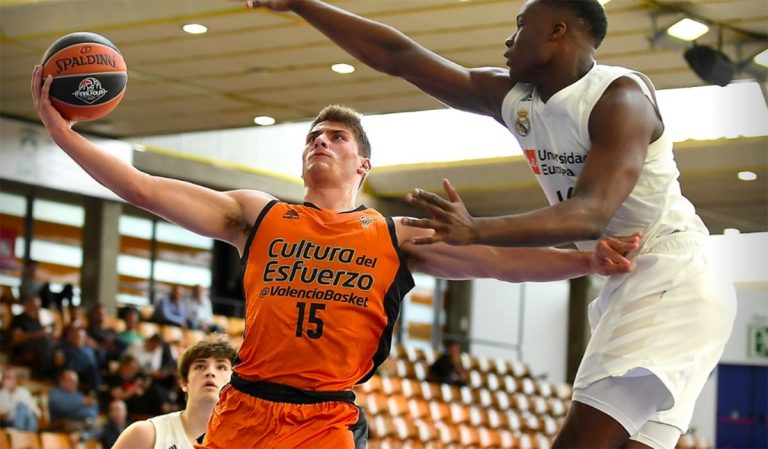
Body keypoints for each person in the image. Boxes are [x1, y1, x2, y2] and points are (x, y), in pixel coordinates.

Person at [33, 64, 638, 448]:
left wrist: (585, 261)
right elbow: (142, 188)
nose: (320, 141)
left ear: (362, 164)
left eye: (336, 137)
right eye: (312, 138)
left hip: (324, 420)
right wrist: (64, 135)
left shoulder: (393, 234)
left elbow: (499, 264)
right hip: (245, 408)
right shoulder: (258, 214)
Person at [244, 1, 739, 448]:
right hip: (638, 279)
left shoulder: (619, 97)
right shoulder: (518, 100)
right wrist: (303, 4)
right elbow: (400, 57)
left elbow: (591, 212)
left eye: (521, 26)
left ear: (558, 31)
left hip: (670, 273)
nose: (509, 39)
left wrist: (476, 229)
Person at [111, 337, 237, 449]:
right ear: (184, 383)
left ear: (234, 383)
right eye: (200, 366)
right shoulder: (146, 434)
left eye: (221, 367)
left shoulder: (244, 441)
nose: (210, 372)